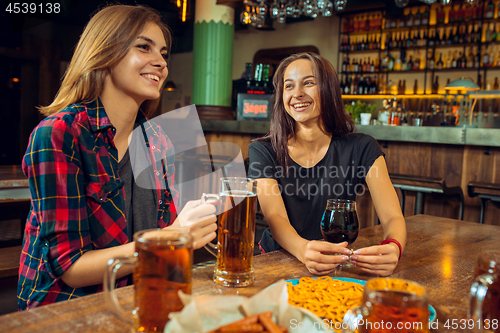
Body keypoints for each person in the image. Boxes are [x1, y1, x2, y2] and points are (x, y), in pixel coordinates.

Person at [18, 5, 217, 310]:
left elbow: (170, 237)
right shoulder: (58, 133)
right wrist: (173, 237)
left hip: (138, 298)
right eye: (144, 47)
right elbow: (71, 269)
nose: (161, 62)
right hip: (66, 308)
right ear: (104, 53)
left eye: (163, 53)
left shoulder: (160, 139)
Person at [248, 53, 406, 277]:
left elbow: (392, 217)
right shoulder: (263, 150)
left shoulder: (362, 147)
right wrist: (303, 250)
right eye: (289, 86)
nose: (297, 94)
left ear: (328, 89)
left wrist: (393, 246)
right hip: (278, 261)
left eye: (309, 83)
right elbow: (275, 218)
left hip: (336, 262)